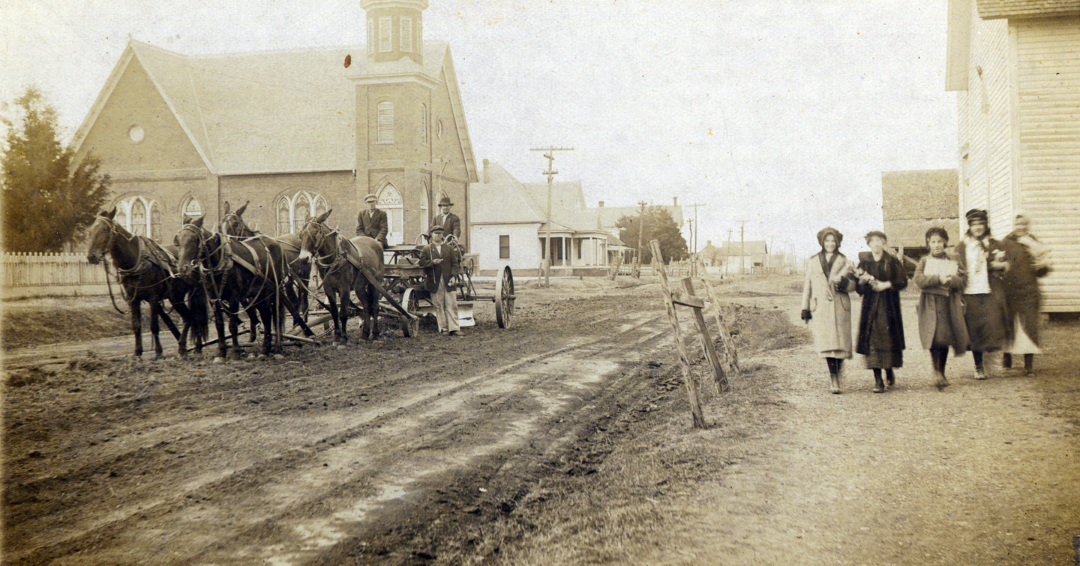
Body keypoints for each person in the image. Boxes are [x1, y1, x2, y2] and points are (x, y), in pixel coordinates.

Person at [800, 227, 857, 394]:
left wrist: (843, 283)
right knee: (827, 344)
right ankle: (834, 377)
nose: (830, 244)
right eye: (827, 241)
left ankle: (838, 371)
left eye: (833, 241)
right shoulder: (813, 261)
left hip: (840, 306)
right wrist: (805, 307)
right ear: (822, 242)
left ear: (837, 242)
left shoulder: (845, 261)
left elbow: (853, 285)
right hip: (822, 308)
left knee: (840, 345)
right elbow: (807, 285)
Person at [955, 208, 1010, 380]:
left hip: (989, 292)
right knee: (974, 330)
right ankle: (979, 366)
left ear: (986, 225)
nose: (978, 227)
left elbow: (1006, 266)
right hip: (970, 292)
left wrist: (998, 265)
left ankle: (992, 360)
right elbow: (956, 267)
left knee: (993, 325)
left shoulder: (994, 244)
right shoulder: (963, 246)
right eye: (974, 224)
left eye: (981, 224)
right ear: (969, 226)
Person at [913, 227, 969, 389]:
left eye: (939, 241)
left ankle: (941, 372)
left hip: (947, 303)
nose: (937, 245)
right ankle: (936, 371)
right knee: (933, 337)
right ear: (928, 244)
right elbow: (919, 280)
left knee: (944, 337)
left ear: (945, 242)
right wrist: (938, 278)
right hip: (930, 303)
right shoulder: (924, 261)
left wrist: (950, 281)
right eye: (933, 242)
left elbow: (964, 280)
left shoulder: (953, 260)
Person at [854, 231, 907, 393]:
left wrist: (886, 285)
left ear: (884, 243)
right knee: (871, 340)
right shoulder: (864, 262)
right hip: (870, 308)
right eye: (873, 241)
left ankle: (888, 369)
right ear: (868, 244)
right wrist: (862, 282)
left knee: (888, 337)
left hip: (888, 306)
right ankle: (878, 380)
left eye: (879, 240)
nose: (876, 244)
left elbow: (902, 281)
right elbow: (858, 288)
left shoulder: (892, 261)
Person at [1001, 213, 1051, 376]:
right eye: (1018, 224)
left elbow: (1043, 269)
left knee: (1029, 326)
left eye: (1024, 224)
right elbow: (998, 262)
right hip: (1009, 290)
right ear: (1013, 225)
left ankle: (1028, 365)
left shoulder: (1033, 242)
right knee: (1008, 324)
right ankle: (1006, 356)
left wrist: (1042, 266)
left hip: (1029, 291)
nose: (1021, 227)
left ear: (1028, 225)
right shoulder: (1006, 242)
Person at [418, 225, 462, 336]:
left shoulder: (449, 248)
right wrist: (432, 262)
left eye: (440, 233)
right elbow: (421, 262)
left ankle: (454, 328)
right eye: (435, 233)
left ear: (442, 235)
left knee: (451, 304)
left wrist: (453, 277)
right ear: (431, 235)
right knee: (438, 305)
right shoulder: (427, 249)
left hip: (448, 280)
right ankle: (443, 328)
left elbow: (455, 264)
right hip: (434, 281)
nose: (438, 235)